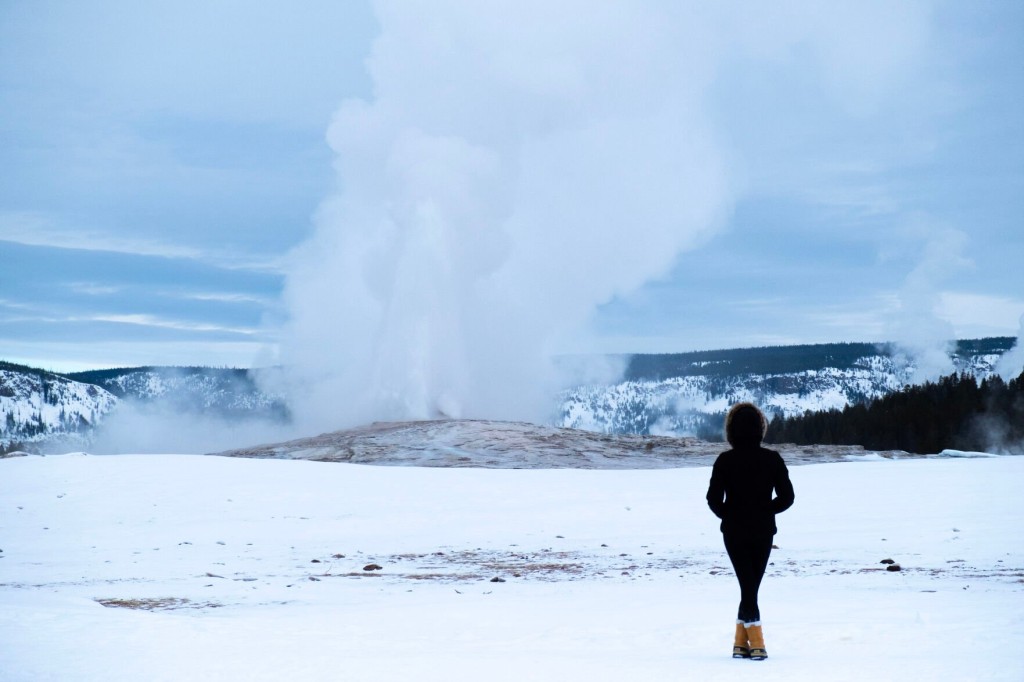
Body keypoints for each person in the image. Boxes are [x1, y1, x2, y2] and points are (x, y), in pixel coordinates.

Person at [706, 402, 795, 661]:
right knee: (750, 585)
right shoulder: (772, 459)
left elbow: (713, 499)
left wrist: (730, 515)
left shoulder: (724, 460)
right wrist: (766, 511)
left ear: (731, 430)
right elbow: (787, 497)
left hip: (733, 532)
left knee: (748, 586)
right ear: (760, 429)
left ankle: (740, 643)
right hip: (763, 530)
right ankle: (756, 644)